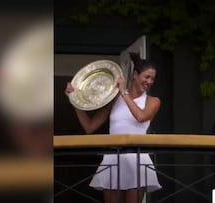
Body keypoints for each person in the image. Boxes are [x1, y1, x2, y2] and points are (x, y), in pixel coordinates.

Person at [65, 54, 162, 203]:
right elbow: (89, 127)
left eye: (152, 79)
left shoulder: (152, 101)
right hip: (112, 158)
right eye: (146, 77)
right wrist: (74, 99)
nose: (149, 82)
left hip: (136, 159)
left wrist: (124, 92)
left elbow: (141, 116)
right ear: (135, 75)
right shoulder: (115, 99)